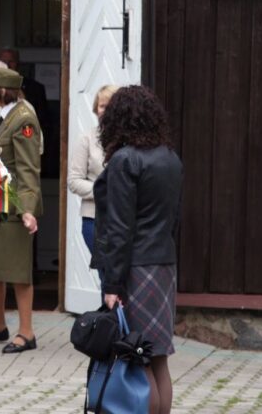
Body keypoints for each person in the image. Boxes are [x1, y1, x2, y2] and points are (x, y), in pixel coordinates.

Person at [93, 85, 182, 414]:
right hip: (164, 266)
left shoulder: (124, 159)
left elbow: (119, 228)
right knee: (157, 358)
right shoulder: (170, 157)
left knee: (137, 358)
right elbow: (174, 217)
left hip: (135, 270)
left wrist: (112, 284)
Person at [0, 68, 43, 354]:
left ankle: (26, 332)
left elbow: (29, 169)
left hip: (15, 207)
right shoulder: (7, 116)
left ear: (3, 91)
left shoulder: (23, 119)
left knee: (18, 272)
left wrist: (27, 210)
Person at [67, 84, 119, 254]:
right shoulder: (86, 139)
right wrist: (104, 191)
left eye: (110, 106)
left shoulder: (131, 140)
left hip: (125, 220)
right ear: (96, 109)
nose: (105, 110)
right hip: (95, 219)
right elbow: (74, 181)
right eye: (102, 105)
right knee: (106, 275)